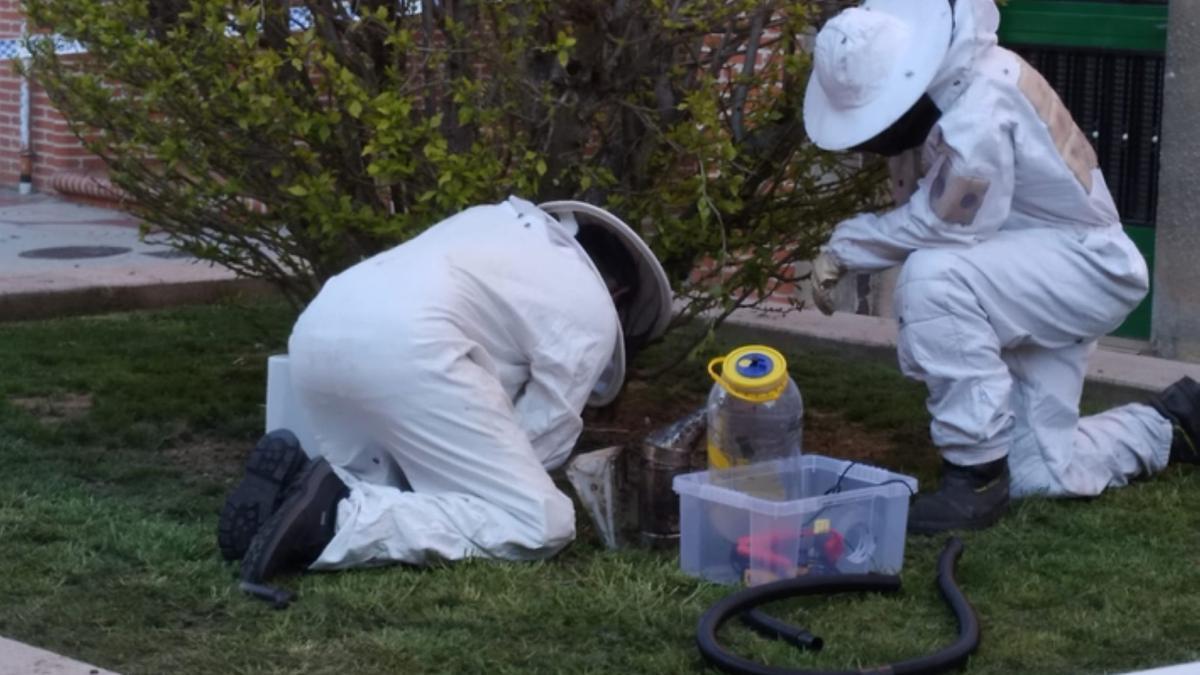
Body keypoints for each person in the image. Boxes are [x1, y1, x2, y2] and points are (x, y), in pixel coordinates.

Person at [802, 0, 1200, 533]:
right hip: (1031, 270)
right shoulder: (962, 84)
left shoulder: (977, 108)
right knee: (1041, 474)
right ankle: (1174, 423)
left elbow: (946, 224)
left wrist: (845, 247)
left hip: (1083, 267)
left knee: (933, 280)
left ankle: (975, 475)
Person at [218, 196, 672, 582]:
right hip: (410, 350)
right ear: (619, 294)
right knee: (540, 522)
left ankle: (291, 501)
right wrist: (505, 481)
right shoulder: (589, 305)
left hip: (316, 331)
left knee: (383, 483)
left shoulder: (490, 220)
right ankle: (333, 522)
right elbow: (546, 428)